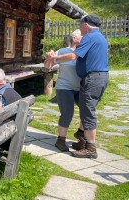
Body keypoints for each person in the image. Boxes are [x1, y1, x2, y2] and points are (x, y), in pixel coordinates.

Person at [46, 14, 109, 159]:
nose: (80, 28)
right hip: (100, 77)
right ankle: (82, 139)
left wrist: (55, 58)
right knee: (86, 110)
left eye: (81, 25)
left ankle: (90, 147)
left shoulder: (90, 36)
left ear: (86, 24)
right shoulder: (100, 37)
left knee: (87, 112)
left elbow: (74, 56)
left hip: (93, 78)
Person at [47, 29, 83, 151]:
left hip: (80, 88)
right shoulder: (63, 51)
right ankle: (60, 140)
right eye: (81, 36)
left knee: (87, 110)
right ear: (74, 38)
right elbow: (48, 65)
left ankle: (81, 135)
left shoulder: (83, 52)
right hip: (64, 87)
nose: (84, 38)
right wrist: (49, 57)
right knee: (67, 113)